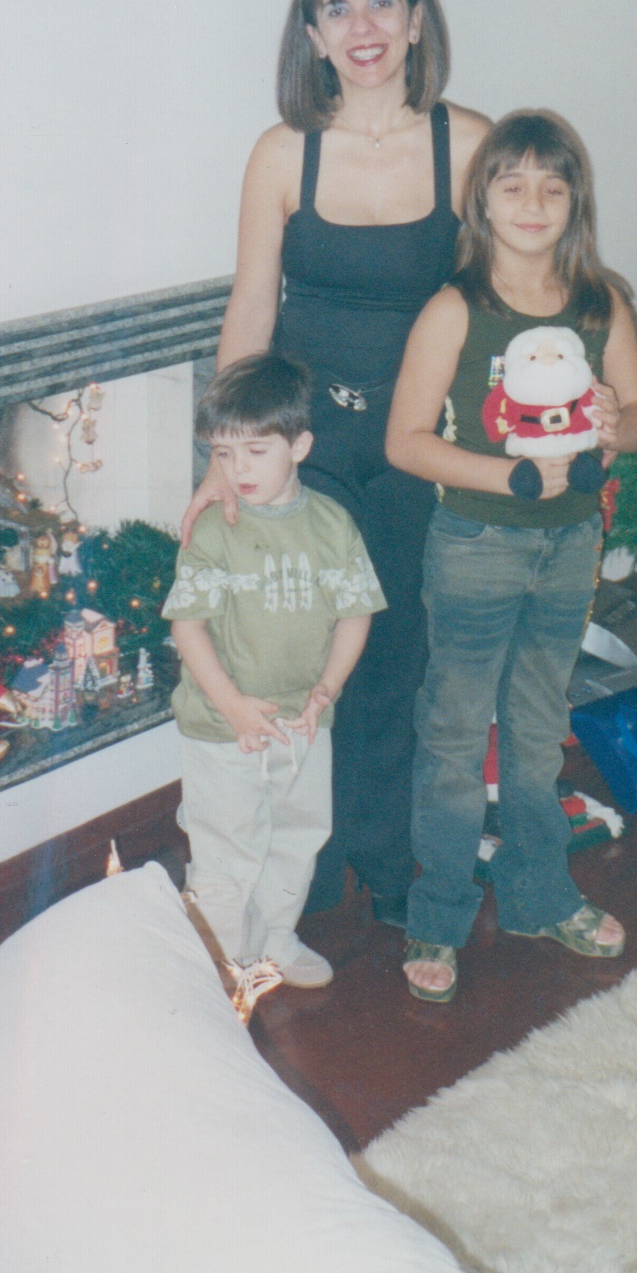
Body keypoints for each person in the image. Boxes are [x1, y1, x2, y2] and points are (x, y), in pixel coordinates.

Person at [181, 0, 489, 924]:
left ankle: (387, 863)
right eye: (335, 6)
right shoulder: (282, 155)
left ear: (413, 19)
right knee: (288, 657)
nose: (360, 25)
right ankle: (294, 878)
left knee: (391, 660)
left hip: (408, 452)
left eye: (379, 1)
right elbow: (250, 312)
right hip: (298, 455)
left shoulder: (467, 145)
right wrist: (222, 461)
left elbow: (503, 302)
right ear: (310, 33)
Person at [384, 110, 637, 1001]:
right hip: (475, 546)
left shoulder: (598, 301)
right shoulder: (454, 307)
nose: (533, 202)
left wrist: (625, 424)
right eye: (513, 184)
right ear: (484, 200)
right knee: (457, 735)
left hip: (570, 546)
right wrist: (511, 478)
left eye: (553, 184)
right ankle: (436, 914)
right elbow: (406, 441)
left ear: (574, 199)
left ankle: (541, 891)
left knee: (540, 735)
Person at [164, 354, 386, 989]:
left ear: (300, 445)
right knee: (226, 849)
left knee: (297, 834)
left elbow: (354, 614)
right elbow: (188, 626)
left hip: (302, 721)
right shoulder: (213, 529)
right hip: (221, 724)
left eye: (256, 452)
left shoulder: (330, 524)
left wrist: (328, 689)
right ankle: (218, 963)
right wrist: (232, 704)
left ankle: (277, 940)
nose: (239, 471)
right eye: (224, 455)